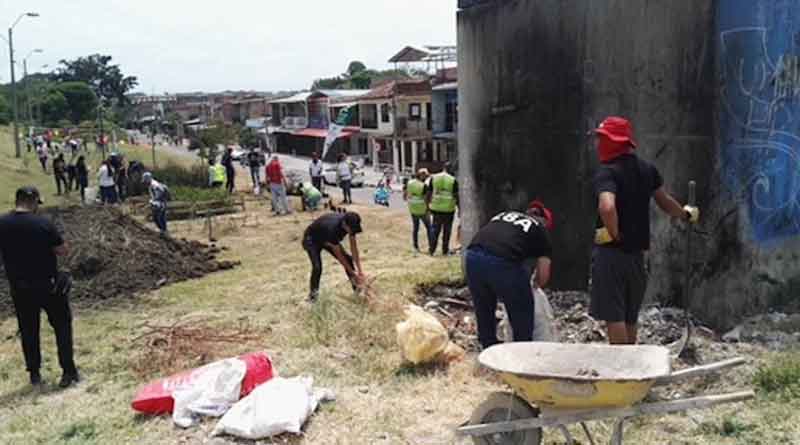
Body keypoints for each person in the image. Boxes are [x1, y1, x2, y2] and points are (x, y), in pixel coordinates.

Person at [590, 117, 700, 345]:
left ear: (615, 141)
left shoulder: (607, 172)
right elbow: (665, 201)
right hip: (637, 258)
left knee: (614, 316)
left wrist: (614, 233)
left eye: (601, 139)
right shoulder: (647, 170)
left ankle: (620, 371)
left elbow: (607, 206)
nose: (598, 144)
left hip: (611, 254)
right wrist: (686, 214)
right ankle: (632, 368)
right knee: (630, 317)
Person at [0, 187, 79, 387]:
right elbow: (61, 250)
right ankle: (68, 371)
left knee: (28, 329)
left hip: (20, 287)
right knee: (62, 326)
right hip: (48, 285)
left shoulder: (2, 223)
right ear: (33, 201)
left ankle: (34, 373)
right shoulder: (43, 222)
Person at [465, 201, 554, 349]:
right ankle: (521, 353)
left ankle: (488, 352)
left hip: (473, 257)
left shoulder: (504, 215)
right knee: (522, 313)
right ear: (545, 222)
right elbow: (543, 275)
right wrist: (534, 286)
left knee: (484, 309)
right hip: (503, 262)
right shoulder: (540, 230)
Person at [302, 211, 365, 302]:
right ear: (344, 224)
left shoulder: (351, 223)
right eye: (351, 230)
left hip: (327, 239)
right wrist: (353, 273)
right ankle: (313, 296)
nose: (352, 232)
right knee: (317, 267)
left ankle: (358, 289)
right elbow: (340, 257)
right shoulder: (332, 228)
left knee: (349, 259)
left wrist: (360, 271)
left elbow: (354, 248)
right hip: (312, 240)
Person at [427, 164, 459, 256]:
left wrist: (428, 205)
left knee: (435, 230)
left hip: (436, 208)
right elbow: (456, 196)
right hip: (448, 209)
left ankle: (431, 250)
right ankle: (445, 250)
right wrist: (459, 208)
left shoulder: (434, 178)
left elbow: (429, 192)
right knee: (446, 231)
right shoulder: (453, 180)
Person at [404, 168, 432, 251]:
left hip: (413, 208)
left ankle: (415, 246)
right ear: (421, 175)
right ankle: (431, 246)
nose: (426, 178)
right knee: (429, 228)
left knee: (415, 228)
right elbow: (426, 199)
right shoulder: (423, 186)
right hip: (422, 210)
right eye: (425, 176)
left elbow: (405, 195)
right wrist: (428, 209)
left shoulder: (409, 183)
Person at [142, 172, 170, 236]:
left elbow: (161, 191)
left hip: (160, 203)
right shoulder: (151, 184)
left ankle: (164, 231)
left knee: (159, 217)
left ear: (148, 179)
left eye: (145, 180)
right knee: (156, 217)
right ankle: (162, 230)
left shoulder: (154, 184)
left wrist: (155, 199)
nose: (145, 183)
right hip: (157, 203)